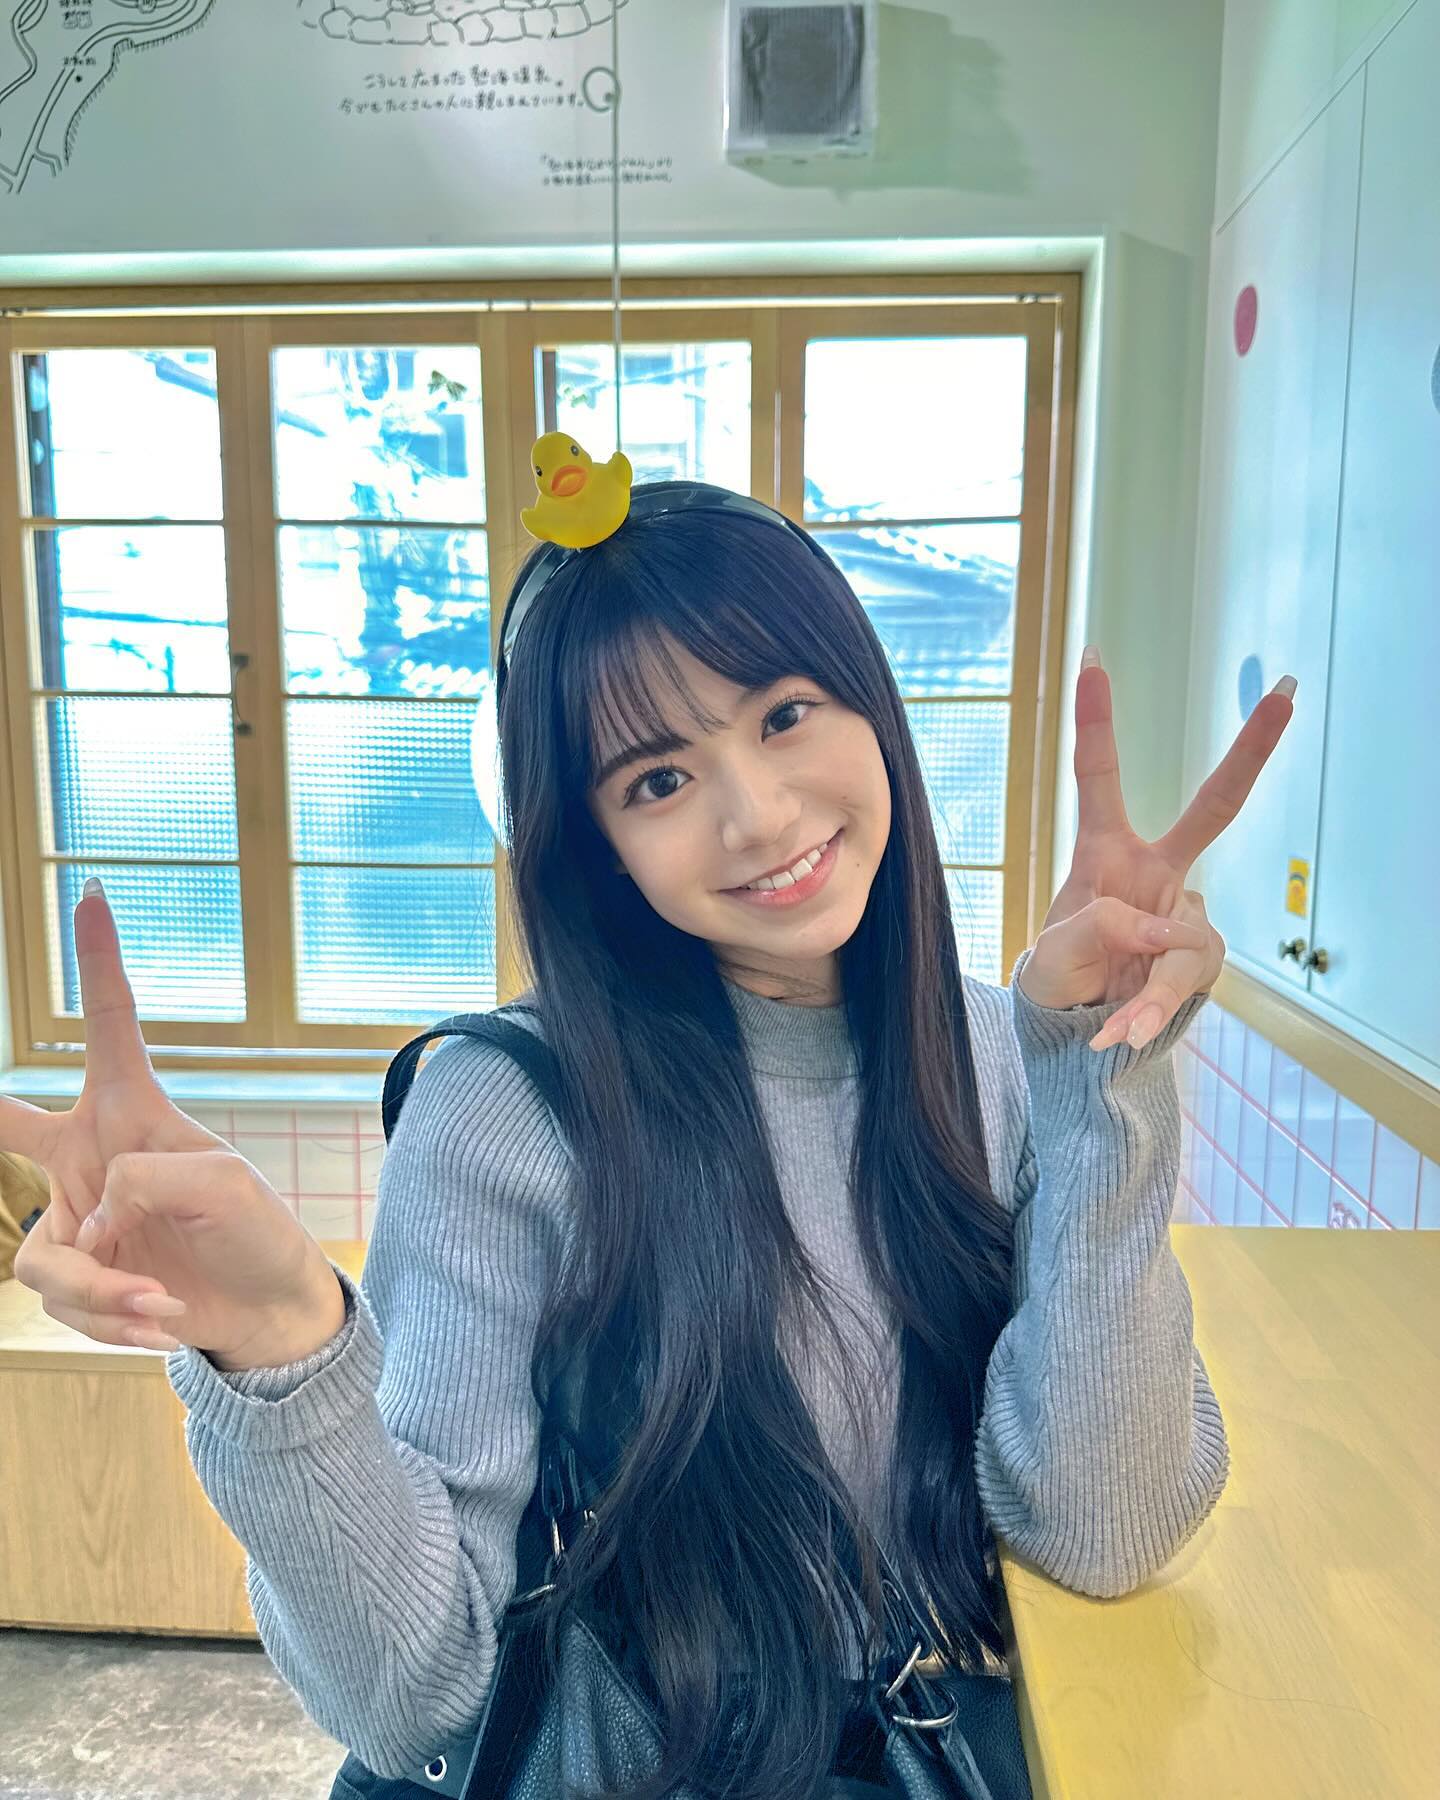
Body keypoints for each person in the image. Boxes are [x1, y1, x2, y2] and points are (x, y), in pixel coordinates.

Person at [7, 470, 1294, 1800]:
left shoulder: (990, 1050)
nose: (759, 814)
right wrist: (282, 1346)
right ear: (598, 845)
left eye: (784, 714)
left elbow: (1102, 1529)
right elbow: (411, 1703)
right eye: (659, 777)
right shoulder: (506, 1115)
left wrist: (1099, 1073)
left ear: (870, 704)